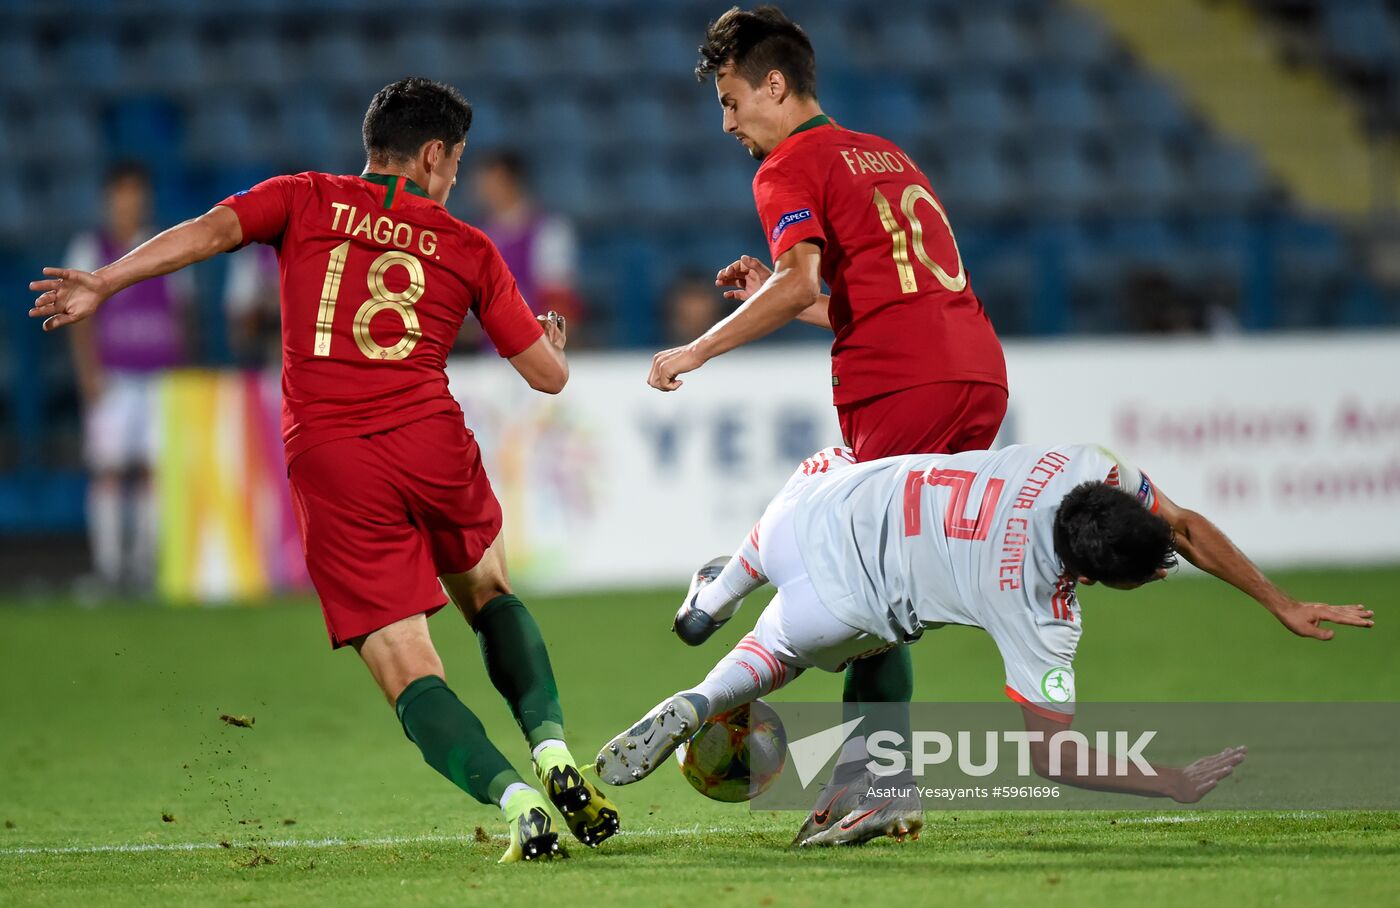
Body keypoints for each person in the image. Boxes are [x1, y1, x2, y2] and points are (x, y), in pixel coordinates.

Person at [29, 77, 618, 863]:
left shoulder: (301, 197)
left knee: (407, 665)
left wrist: (104, 281)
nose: (455, 178)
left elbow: (208, 233)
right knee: (488, 589)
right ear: (434, 155)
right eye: (456, 162)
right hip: (430, 440)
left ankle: (516, 801)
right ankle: (552, 752)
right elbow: (547, 378)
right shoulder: (467, 245)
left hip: (335, 460)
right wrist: (556, 343)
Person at [599, 443, 1373, 845]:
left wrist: (1283, 601)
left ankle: (714, 597)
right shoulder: (1041, 611)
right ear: (1097, 580)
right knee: (784, 651)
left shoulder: (1086, 463)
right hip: (845, 610)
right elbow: (1052, 758)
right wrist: (1168, 781)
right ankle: (710, 693)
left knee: (827, 462)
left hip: (819, 512)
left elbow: (1184, 524)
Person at [646, 5, 1009, 843]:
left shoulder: (786, 165)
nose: (728, 121)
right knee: (886, 581)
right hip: (975, 370)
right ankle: (872, 779)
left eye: (733, 99)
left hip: (902, 385)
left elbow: (798, 272)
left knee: (867, 587)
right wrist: (779, 299)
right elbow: (871, 296)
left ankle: (873, 783)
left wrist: (698, 348)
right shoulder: (884, 152)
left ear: (775, 84)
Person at [64, 161, 193, 593]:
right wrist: (89, 375)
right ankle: (108, 569)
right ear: (109, 200)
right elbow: (77, 323)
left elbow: (182, 317)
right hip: (114, 379)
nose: (130, 204)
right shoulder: (89, 248)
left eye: (136, 195)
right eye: (122, 195)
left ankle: (143, 568)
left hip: (159, 379)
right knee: (110, 472)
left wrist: (181, 376)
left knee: (153, 472)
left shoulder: (166, 247)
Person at [473, 149, 583, 329]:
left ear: (509, 181)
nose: (482, 188)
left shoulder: (548, 232)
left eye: (489, 180)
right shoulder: (477, 236)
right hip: (487, 352)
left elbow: (559, 303)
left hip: (531, 345)